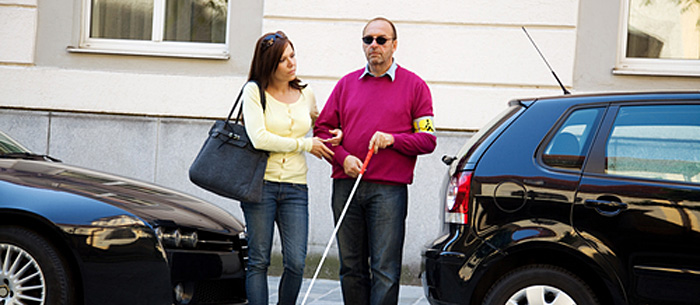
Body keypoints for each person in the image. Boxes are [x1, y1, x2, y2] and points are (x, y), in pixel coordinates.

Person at [313, 17, 437, 305]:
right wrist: (343, 159)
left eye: (381, 40)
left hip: (389, 191)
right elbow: (321, 129)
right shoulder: (346, 85)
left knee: (385, 270)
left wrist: (393, 139)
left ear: (394, 45)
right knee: (351, 268)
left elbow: (427, 140)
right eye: (368, 40)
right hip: (346, 186)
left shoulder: (416, 87)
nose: (374, 45)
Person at [241, 31, 341, 305]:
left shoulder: (306, 93)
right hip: (260, 186)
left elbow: (323, 126)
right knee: (259, 260)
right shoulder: (254, 91)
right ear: (269, 65)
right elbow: (259, 138)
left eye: (292, 55)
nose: (291, 63)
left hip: (296, 188)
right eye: (283, 60)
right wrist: (306, 144)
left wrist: (337, 134)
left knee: (296, 262)